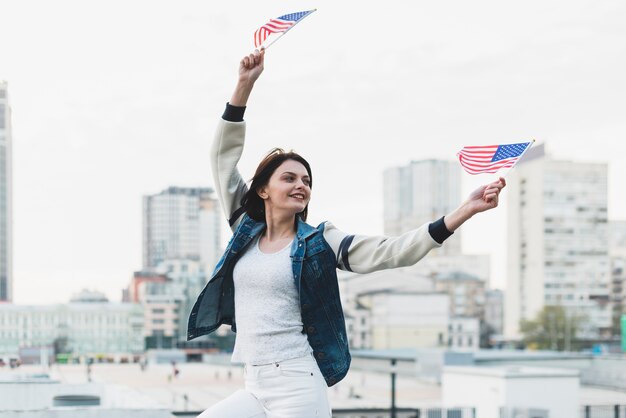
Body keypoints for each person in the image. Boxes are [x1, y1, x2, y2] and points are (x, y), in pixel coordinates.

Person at [188, 49, 506, 418]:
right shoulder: (244, 227)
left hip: (298, 383)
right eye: (289, 178)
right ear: (262, 189)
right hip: (254, 384)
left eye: (306, 180)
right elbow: (221, 158)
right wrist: (244, 84)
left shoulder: (320, 241)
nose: (301, 186)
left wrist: (464, 211)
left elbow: (394, 251)